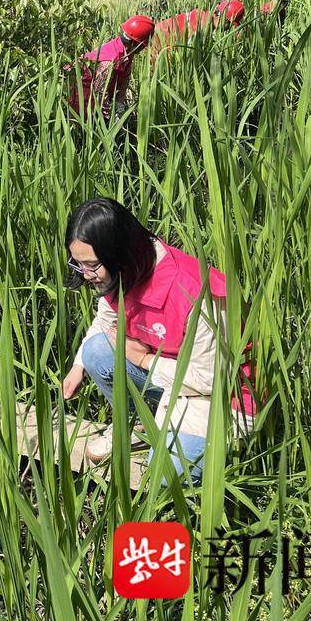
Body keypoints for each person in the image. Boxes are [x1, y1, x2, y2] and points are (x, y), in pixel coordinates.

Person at [59, 198, 256, 484]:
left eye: (91, 265)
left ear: (120, 253)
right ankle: (133, 426)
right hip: (170, 378)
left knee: (164, 473)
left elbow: (211, 379)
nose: (85, 275)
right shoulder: (118, 274)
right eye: (78, 264)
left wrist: (142, 360)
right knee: (96, 351)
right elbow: (106, 321)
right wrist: (79, 366)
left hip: (219, 399)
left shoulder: (196, 295)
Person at [69, 15, 156, 119]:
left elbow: (125, 78)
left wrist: (119, 104)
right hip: (78, 98)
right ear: (135, 43)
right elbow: (100, 92)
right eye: (143, 45)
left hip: (92, 98)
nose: (144, 48)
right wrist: (111, 118)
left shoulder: (128, 51)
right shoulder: (110, 61)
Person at [152, 0, 244, 57]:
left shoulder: (203, 16)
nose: (227, 29)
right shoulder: (203, 27)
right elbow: (188, 56)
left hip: (160, 41)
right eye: (228, 24)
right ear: (220, 15)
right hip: (157, 43)